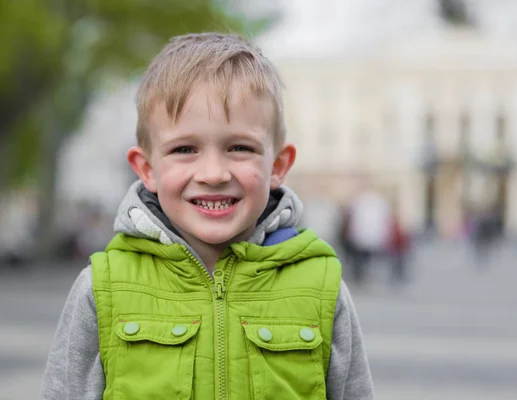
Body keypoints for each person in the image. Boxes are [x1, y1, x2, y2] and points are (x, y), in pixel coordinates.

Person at [40, 33, 374, 399]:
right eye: (185, 149)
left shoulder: (322, 289)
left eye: (239, 148)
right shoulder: (102, 289)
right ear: (147, 168)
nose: (213, 174)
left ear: (277, 165)